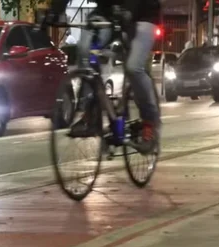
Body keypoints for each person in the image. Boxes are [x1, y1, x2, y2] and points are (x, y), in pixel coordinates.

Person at [48, 0, 161, 153]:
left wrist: (128, 11)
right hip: (108, 13)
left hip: (143, 15)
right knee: (85, 50)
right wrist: (54, 11)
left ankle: (150, 123)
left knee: (133, 67)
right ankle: (91, 114)